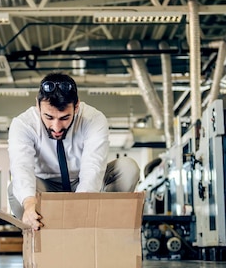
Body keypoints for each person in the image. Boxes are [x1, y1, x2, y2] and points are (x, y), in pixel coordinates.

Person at [7, 72, 140, 230]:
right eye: (49, 117)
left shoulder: (94, 119)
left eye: (64, 118)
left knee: (128, 168)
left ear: (76, 106)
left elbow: (93, 167)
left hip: (82, 182)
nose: (56, 127)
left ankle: (104, 224)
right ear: (38, 105)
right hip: (45, 187)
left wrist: (79, 207)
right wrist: (29, 204)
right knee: (16, 189)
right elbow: (22, 167)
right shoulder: (23, 124)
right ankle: (41, 228)